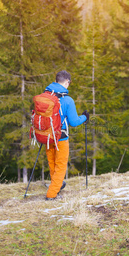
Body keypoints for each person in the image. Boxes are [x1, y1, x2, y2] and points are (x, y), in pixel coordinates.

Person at [45, 70, 89, 200]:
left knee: (52, 163)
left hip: (46, 136)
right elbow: (74, 122)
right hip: (61, 137)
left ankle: (56, 185)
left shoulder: (45, 96)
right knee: (60, 165)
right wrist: (84, 117)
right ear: (66, 82)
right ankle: (52, 194)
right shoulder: (67, 100)